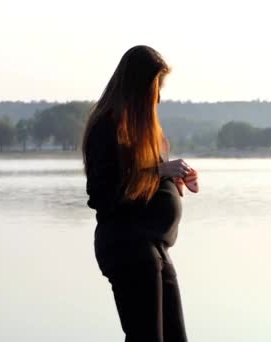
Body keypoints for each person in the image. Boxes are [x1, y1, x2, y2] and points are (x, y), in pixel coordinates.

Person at [82, 45, 191, 342]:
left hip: (154, 247)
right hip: (127, 245)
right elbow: (103, 195)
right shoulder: (107, 126)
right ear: (139, 85)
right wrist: (158, 173)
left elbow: (138, 180)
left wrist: (171, 180)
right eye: (156, 87)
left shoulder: (140, 129)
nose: (158, 96)